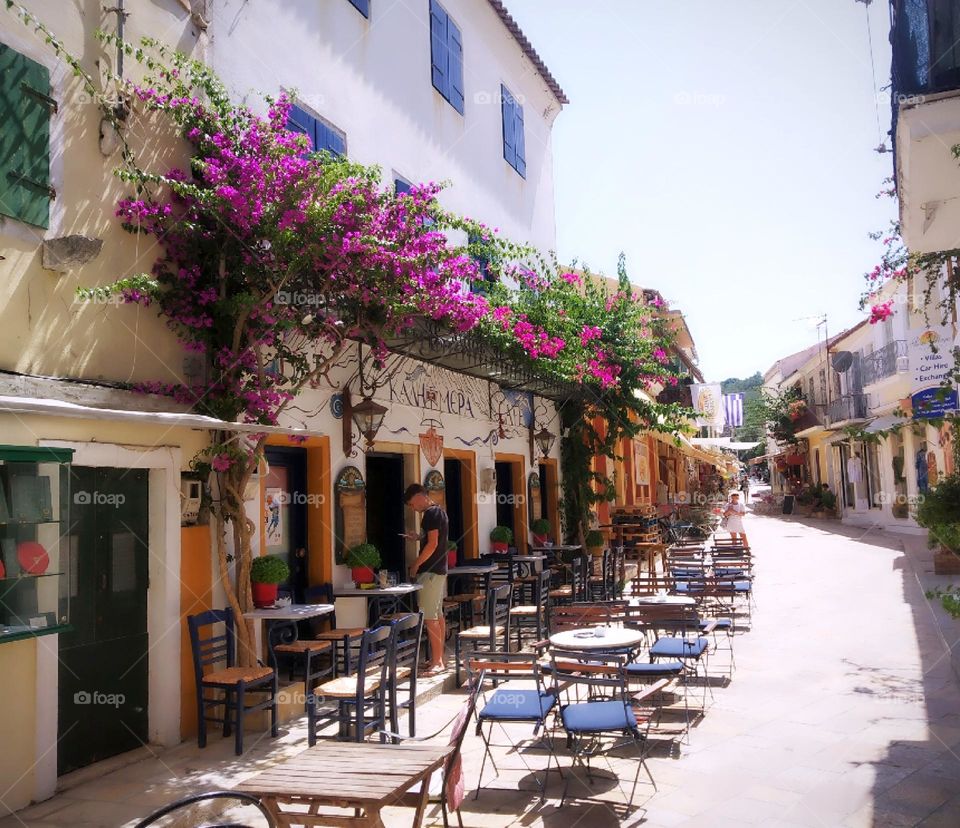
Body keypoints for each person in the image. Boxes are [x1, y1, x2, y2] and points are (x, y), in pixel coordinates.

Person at [403, 483, 448, 676]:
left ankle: (437, 662)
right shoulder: (439, 512)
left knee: (429, 617)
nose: (413, 508)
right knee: (437, 615)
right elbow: (432, 540)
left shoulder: (430, 514)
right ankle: (439, 658)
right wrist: (418, 537)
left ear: (420, 497)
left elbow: (433, 545)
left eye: (412, 504)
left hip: (430, 572)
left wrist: (415, 564)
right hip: (439, 570)